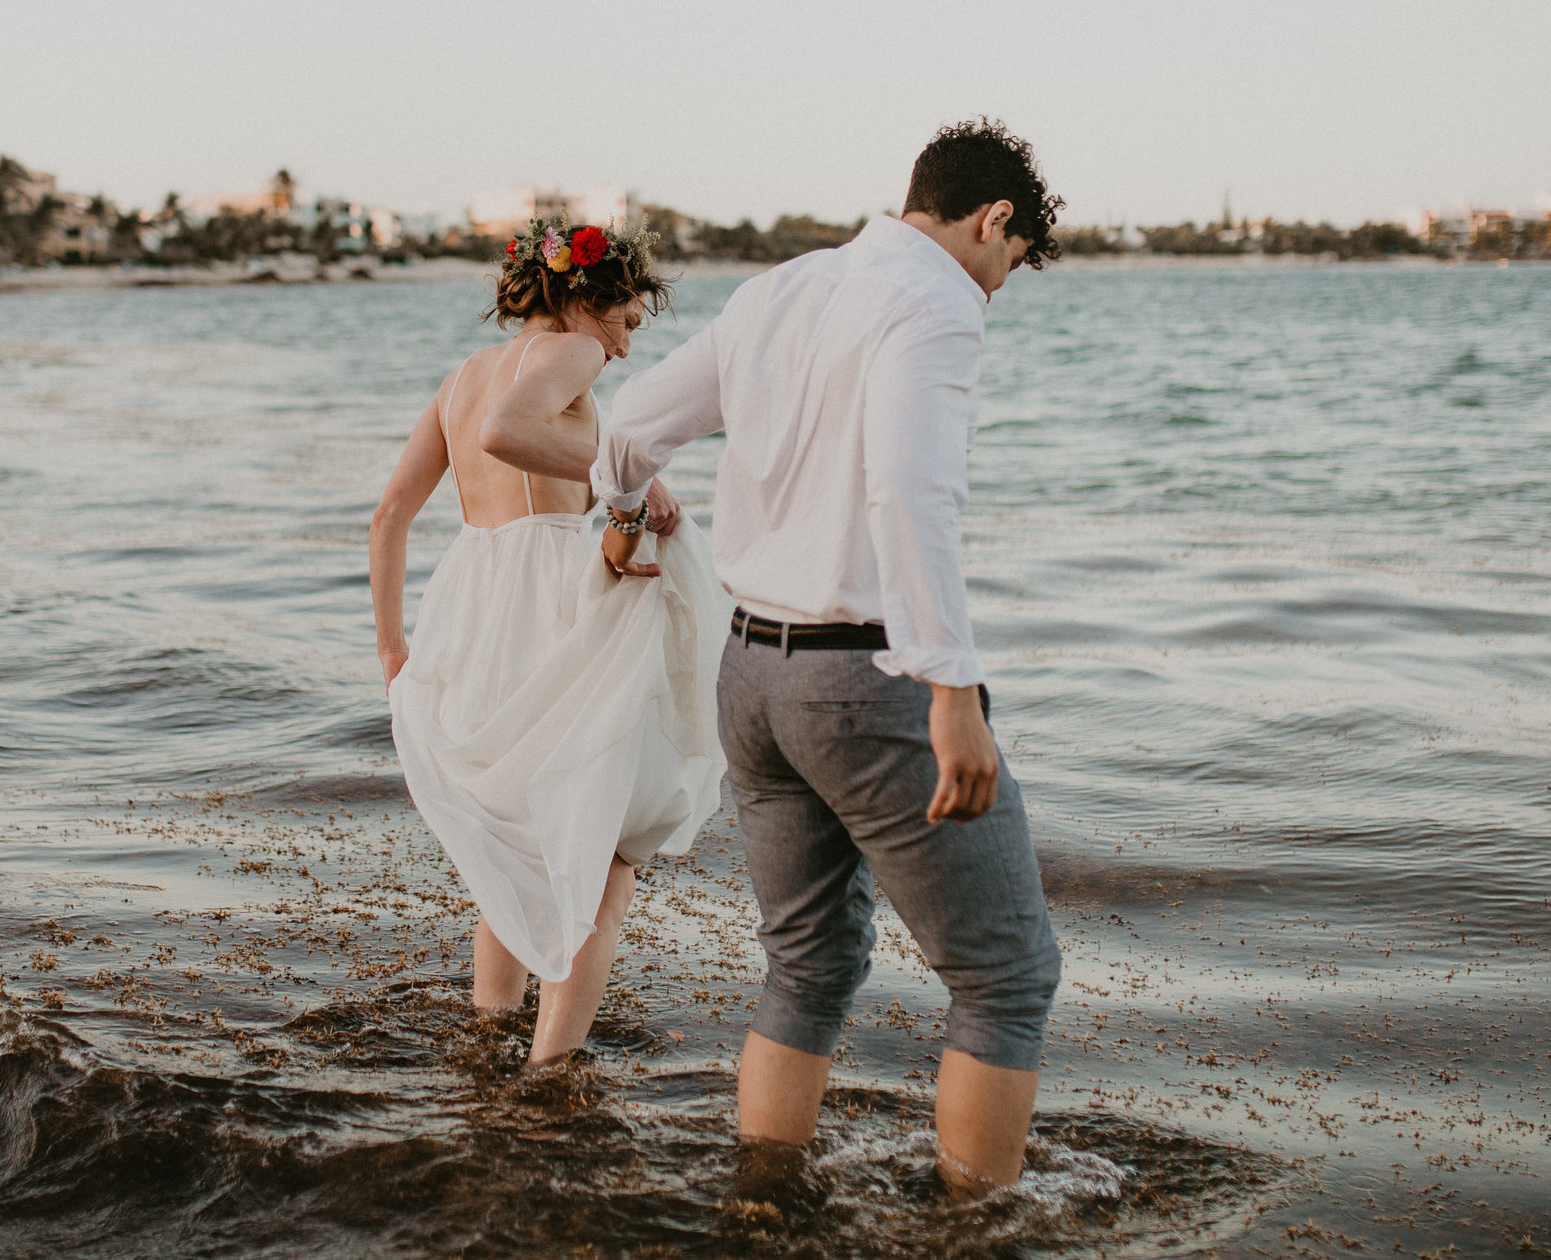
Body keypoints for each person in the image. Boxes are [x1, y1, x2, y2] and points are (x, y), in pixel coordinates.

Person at [590, 119, 1065, 1197]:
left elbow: (631, 425)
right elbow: (910, 490)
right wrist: (951, 687)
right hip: (865, 680)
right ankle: (971, 1230)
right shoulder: (936, 301)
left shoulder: (783, 288)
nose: (999, 285)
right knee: (1004, 973)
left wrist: (623, 517)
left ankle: (762, 1204)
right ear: (993, 221)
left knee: (804, 966)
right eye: (1012, 262)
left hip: (750, 675)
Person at [369, 215, 730, 1068]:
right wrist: (630, 483)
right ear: (584, 296)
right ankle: (548, 1072)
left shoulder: (461, 376)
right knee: (603, 852)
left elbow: (388, 517)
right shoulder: (573, 351)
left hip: (473, 610)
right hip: (554, 601)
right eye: (628, 322)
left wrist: (392, 648)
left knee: (521, 840)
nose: (628, 346)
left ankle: (489, 1033)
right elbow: (507, 432)